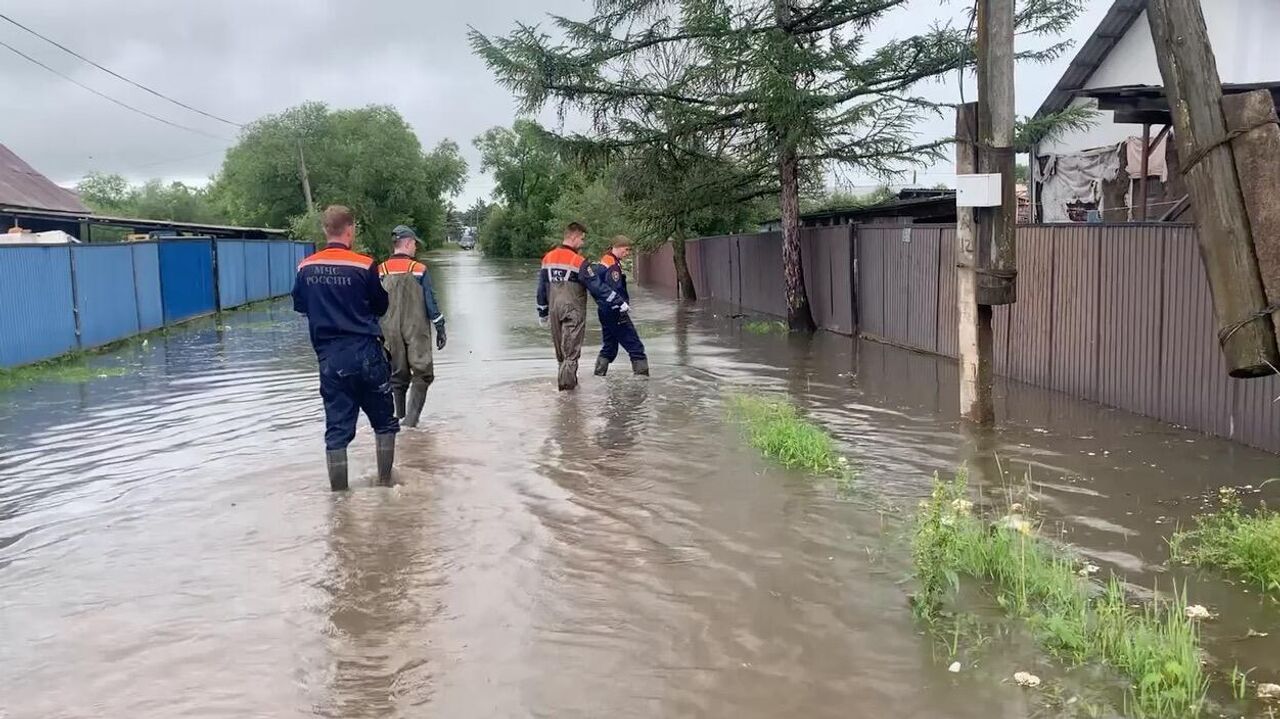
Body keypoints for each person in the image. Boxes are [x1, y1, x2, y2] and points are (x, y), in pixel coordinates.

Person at [292, 206, 397, 491]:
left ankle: (339, 500)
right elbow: (381, 306)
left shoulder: (305, 267)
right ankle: (386, 485)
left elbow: (300, 305)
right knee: (384, 423)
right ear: (350, 229)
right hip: (366, 353)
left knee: (336, 433)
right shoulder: (364, 265)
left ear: (326, 230)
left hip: (330, 359)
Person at [536, 222, 628, 390]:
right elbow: (597, 287)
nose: (583, 243)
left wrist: (542, 312)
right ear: (573, 237)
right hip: (573, 311)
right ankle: (568, 400)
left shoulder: (547, 258)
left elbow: (541, 288)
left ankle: (566, 388)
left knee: (562, 356)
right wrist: (618, 301)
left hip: (554, 310)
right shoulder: (578, 261)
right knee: (571, 355)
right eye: (582, 239)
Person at [378, 225, 447, 429]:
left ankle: (398, 420)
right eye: (415, 244)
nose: (416, 247)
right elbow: (430, 302)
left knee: (397, 377)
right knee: (423, 373)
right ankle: (411, 422)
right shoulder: (419, 269)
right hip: (416, 329)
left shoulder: (380, 270)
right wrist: (440, 326)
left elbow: (372, 304)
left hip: (388, 330)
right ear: (407, 243)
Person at [592, 235, 648, 377]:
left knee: (609, 348)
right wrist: (620, 304)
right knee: (636, 347)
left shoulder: (604, 261)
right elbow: (614, 287)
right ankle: (642, 383)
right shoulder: (613, 265)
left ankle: (598, 376)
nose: (627, 252)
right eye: (626, 249)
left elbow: (598, 288)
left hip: (604, 311)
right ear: (616, 247)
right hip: (615, 311)